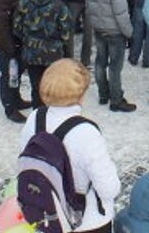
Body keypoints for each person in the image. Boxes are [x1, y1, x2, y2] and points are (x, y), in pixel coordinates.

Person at [19, 59, 120, 233]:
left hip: (48, 215)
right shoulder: (86, 132)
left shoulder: (35, 118)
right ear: (80, 94)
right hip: (87, 221)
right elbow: (108, 189)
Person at [13, 0, 73, 109]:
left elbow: (16, 27)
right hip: (53, 53)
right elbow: (66, 30)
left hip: (31, 52)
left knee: (36, 86)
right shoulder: (59, 5)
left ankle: (38, 114)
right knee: (52, 86)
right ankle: (51, 112)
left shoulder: (24, 2)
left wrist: (27, 39)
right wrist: (60, 43)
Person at [85, 0, 136, 112]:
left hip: (99, 29)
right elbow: (121, 15)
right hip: (115, 32)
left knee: (100, 61)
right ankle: (116, 99)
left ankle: (103, 94)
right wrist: (129, 33)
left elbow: (89, 8)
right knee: (115, 66)